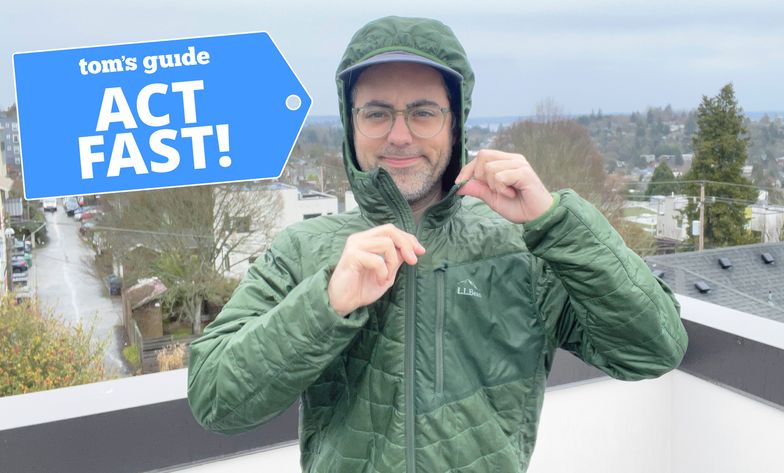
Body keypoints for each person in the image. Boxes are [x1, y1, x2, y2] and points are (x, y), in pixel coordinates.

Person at [187, 16, 688, 472]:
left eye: (423, 113)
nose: (399, 135)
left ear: (455, 123)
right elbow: (214, 400)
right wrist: (326, 305)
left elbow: (652, 349)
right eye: (377, 113)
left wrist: (556, 222)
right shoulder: (303, 250)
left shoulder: (523, 248)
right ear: (351, 123)